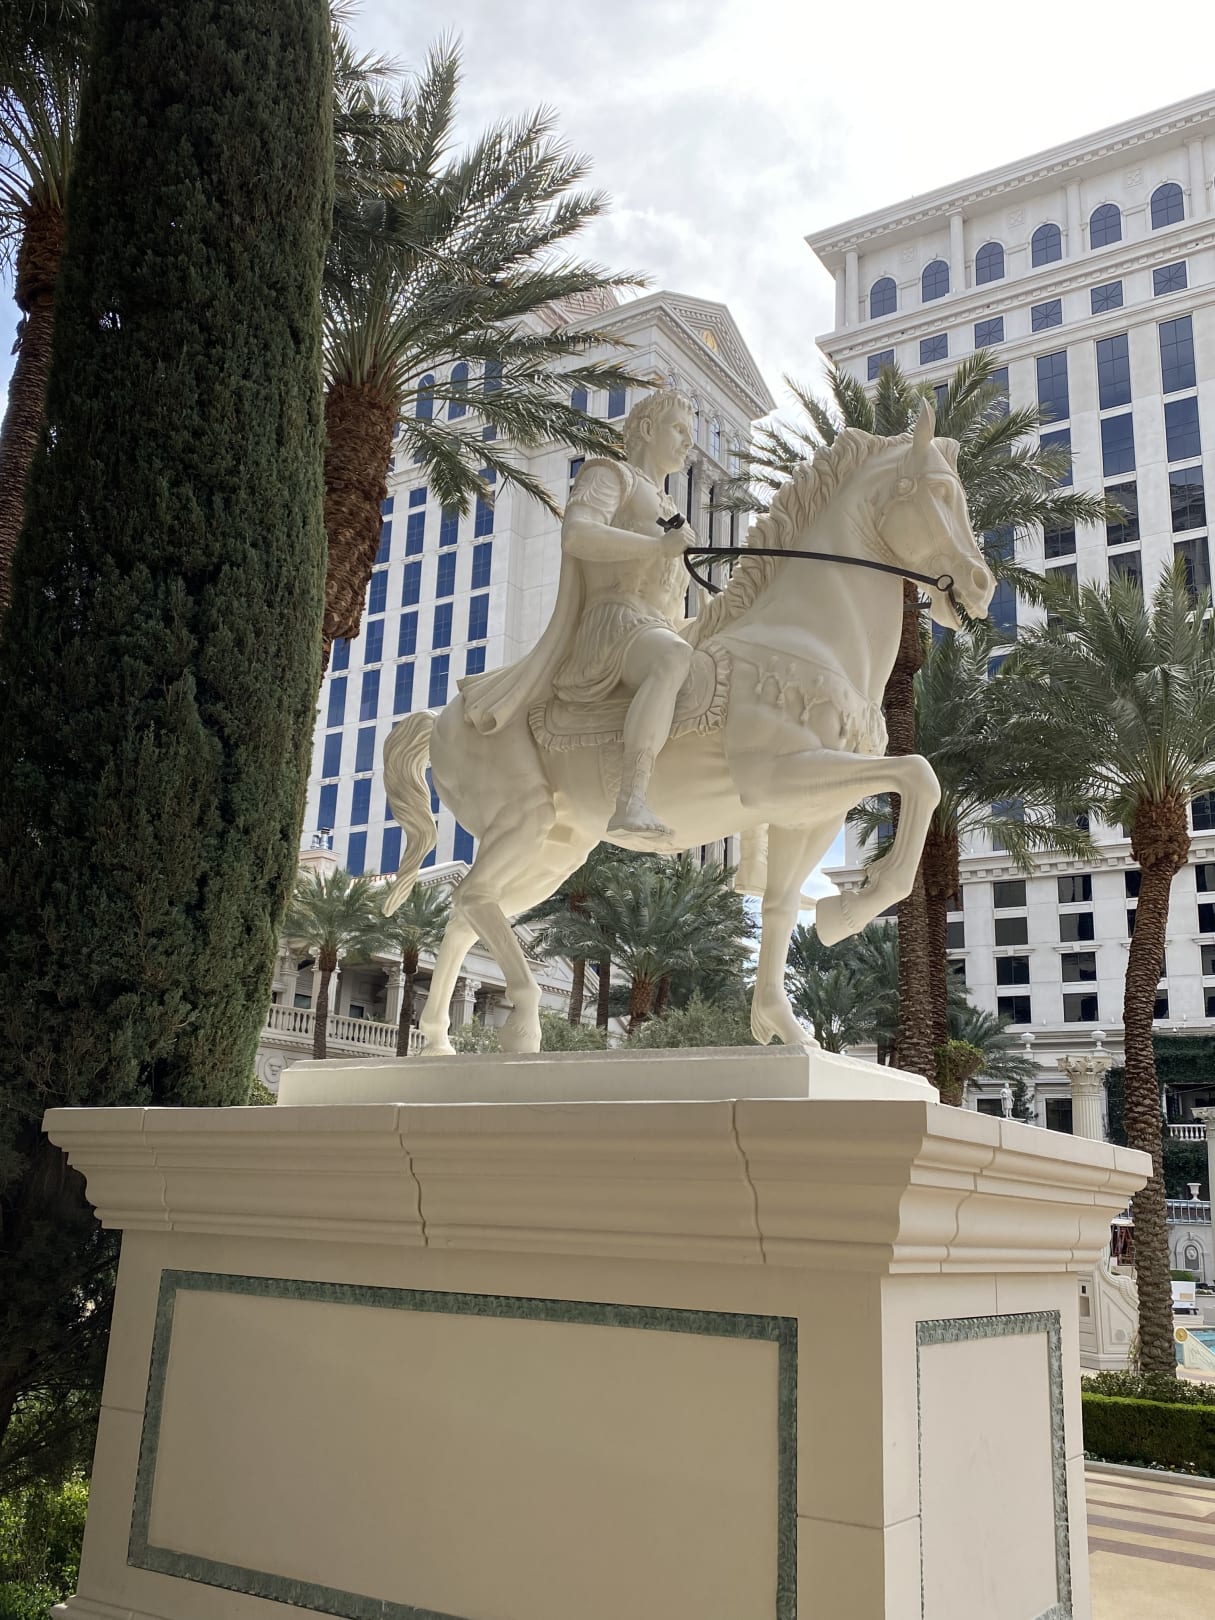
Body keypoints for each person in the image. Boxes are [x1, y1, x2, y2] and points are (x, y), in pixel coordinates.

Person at [462, 390, 698, 841]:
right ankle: (631, 798)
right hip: (615, 621)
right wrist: (657, 546)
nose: (689, 442)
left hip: (657, 626)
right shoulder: (611, 475)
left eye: (690, 433)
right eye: (679, 429)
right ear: (648, 429)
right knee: (673, 658)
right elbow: (577, 533)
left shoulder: (673, 511)